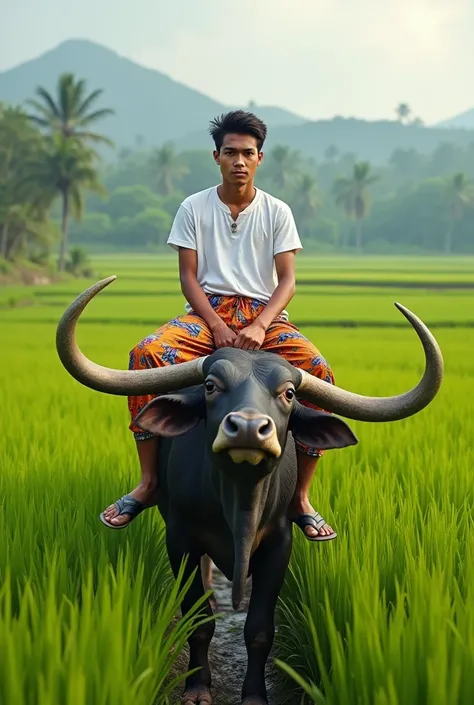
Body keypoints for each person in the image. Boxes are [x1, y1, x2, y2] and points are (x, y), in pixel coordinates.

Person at [100, 110, 336, 541]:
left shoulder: (277, 211)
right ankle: (150, 481)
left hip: (266, 316)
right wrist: (216, 325)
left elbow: (287, 282)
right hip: (205, 316)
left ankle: (301, 496)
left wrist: (261, 325)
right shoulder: (194, 206)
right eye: (231, 152)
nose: (239, 161)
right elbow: (189, 277)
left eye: (248, 153)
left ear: (260, 158)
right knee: (145, 355)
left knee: (319, 372)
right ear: (217, 156)